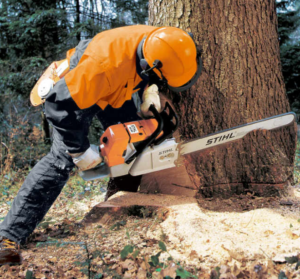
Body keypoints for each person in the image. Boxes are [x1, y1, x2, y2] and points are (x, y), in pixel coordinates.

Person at [0, 25, 202, 265]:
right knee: (61, 161)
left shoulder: (168, 41)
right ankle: (8, 236)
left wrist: (151, 91)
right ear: (150, 64)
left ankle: (116, 204)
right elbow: (56, 107)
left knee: (131, 145)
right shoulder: (99, 70)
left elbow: (157, 70)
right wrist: (79, 151)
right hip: (77, 90)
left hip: (119, 84)